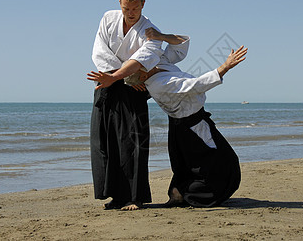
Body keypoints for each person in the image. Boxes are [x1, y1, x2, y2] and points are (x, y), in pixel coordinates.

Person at [88, 28, 246, 208]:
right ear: (142, 76)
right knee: (224, 162)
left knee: (191, 166)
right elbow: (195, 86)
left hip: (188, 124)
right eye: (139, 66)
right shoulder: (159, 85)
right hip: (191, 126)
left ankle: (178, 193)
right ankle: (187, 194)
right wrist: (225, 67)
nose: (142, 63)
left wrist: (160, 37)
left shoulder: (157, 62)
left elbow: (181, 44)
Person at [89, 0, 164, 211]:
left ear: (143, 4)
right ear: (119, 4)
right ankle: (115, 195)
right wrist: (113, 77)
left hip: (133, 87)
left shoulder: (150, 30)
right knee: (106, 140)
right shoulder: (108, 19)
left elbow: (144, 58)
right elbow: (100, 50)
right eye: (125, 8)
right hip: (109, 81)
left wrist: (121, 76)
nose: (130, 13)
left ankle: (135, 197)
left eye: (134, 9)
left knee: (132, 142)